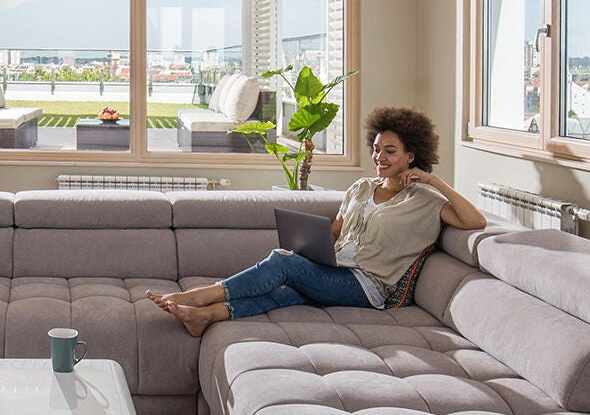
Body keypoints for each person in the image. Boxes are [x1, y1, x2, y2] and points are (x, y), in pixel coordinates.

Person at [147, 106, 486, 336]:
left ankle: (198, 297)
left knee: (282, 264)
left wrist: (435, 182)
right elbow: (335, 232)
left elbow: (475, 221)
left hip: (366, 287)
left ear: (411, 155)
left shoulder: (425, 201)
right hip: (334, 270)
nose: (379, 157)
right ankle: (206, 316)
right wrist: (308, 243)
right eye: (377, 149)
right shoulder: (361, 187)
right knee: (287, 290)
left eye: (390, 151)